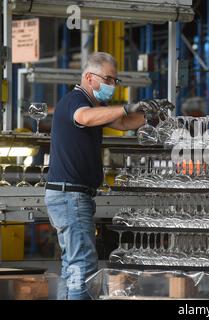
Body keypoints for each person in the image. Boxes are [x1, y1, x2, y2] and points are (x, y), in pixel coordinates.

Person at [45, 52, 150, 300]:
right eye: (108, 79)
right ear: (89, 78)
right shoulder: (75, 100)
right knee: (83, 268)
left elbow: (123, 123)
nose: (112, 85)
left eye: (115, 80)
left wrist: (151, 115)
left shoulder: (94, 105)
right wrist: (125, 106)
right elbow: (83, 117)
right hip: (69, 195)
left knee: (73, 268)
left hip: (72, 195)